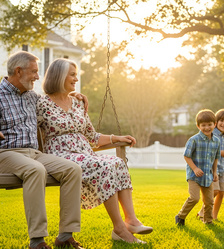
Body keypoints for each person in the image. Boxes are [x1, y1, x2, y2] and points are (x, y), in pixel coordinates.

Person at [0, 51, 85, 249]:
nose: (38, 77)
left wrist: (72, 96)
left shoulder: (32, 97)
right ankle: (37, 241)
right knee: (35, 170)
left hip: (33, 154)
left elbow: (54, 104)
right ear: (18, 71)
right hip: (2, 155)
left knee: (72, 169)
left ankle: (65, 236)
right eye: (34, 72)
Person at [36, 58, 152, 244]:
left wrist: (116, 138)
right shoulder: (41, 104)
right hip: (60, 156)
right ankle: (119, 229)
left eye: (76, 75)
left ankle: (131, 220)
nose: (75, 79)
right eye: (72, 75)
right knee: (104, 165)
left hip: (85, 154)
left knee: (117, 162)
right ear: (58, 76)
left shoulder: (77, 103)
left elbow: (92, 137)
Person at [175, 109, 220, 225]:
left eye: (209, 124)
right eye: (203, 125)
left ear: (214, 124)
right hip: (194, 175)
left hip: (207, 176)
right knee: (194, 198)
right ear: (198, 126)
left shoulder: (216, 141)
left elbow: (216, 158)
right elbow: (186, 156)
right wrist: (194, 168)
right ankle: (180, 216)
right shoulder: (194, 140)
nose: (207, 128)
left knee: (209, 201)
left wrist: (215, 173)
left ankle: (208, 221)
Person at [197, 108, 224, 221]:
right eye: (221, 121)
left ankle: (214, 215)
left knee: (221, 193)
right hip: (211, 169)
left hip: (221, 169)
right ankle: (202, 212)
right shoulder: (211, 134)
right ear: (215, 122)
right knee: (214, 191)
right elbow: (207, 150)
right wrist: (221, 152)